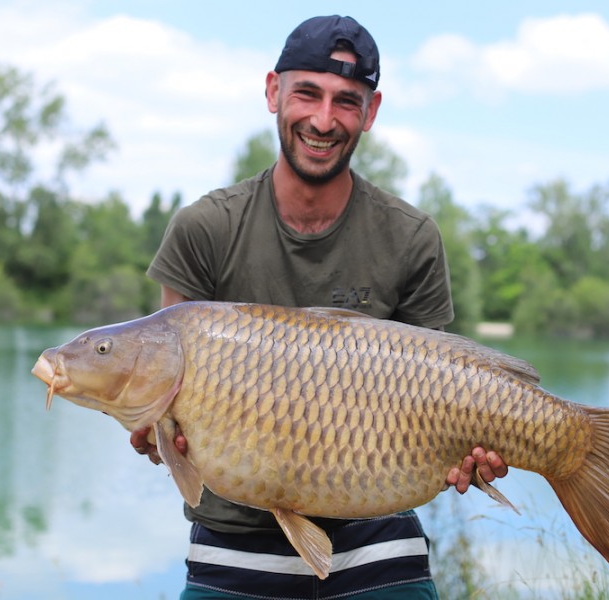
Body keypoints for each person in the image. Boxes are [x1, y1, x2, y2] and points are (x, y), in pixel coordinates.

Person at [132, 15, 508, 599]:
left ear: (372, 111)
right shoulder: (205, 229)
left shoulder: (410, 237)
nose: (323, 120)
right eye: (307, 92)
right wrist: (153, 432)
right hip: (233, 548)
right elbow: (162, 392)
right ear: (272, 92)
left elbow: (443, 392)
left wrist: (469, 456)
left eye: (346, 101)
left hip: (380, 542)